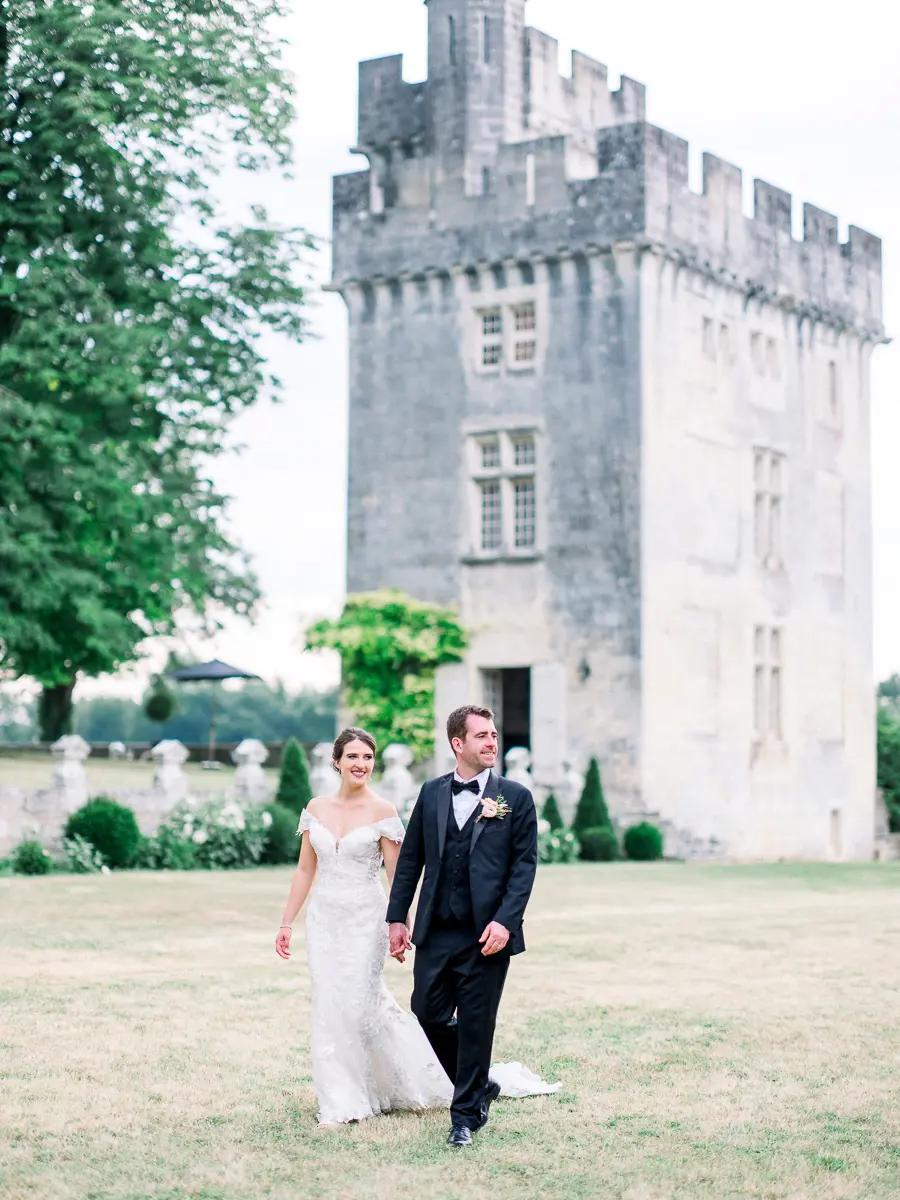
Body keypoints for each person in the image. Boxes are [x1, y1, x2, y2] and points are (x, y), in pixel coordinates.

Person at [275, 727, 452, 1126]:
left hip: (365, 920)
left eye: (368, 757)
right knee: (328, 1005)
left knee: (358, 1007)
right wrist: (287, 922)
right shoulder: (315, 807)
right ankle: (340, 1100)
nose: (361, 764)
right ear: (336, 761)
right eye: (353, 756)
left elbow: (398, 876)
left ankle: (374, 1089)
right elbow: (306, 868)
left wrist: (401, 926)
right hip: (324, 920)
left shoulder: (383, 811)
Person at [386, 704, 539, 1147]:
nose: (492, 742)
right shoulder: (432, 793)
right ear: (458, 743)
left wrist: (505, 923)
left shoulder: (516, 798)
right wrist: (397, 917)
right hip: (435, 929)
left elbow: (523, 868)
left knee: (476, 1023)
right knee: (428, 1015)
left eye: (494, 734)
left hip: (486, 934)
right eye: (482, 736)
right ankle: (481, 1084)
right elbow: (411, 859)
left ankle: (465, 1116)